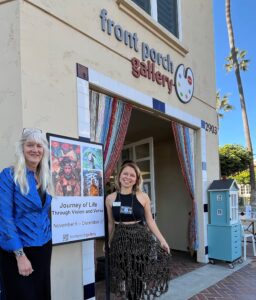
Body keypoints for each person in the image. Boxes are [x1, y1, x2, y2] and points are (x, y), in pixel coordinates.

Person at [0, 128, 53, 300]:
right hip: (18, 251)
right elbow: (4, 217)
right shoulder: (9, 175)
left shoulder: (44, 177)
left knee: (41, 294)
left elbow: (43, 213)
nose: (35, 150)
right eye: (30, 145)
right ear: (22, 148)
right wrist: (20, 255)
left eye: (39, 146)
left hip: (44, 248)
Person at [106, 161, 171, 300]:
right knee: (126, 276)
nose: (128, 177)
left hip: (140, 241)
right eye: (125, 174)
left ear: (136, 179)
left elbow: (150, 221)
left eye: (132, 175)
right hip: (120, 242)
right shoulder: (110, 199)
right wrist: (107, 242)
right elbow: (111, 223)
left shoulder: (143, 197)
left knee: (137, 278)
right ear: (119, 176)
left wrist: (162, 240)